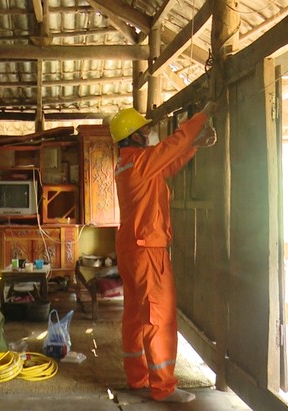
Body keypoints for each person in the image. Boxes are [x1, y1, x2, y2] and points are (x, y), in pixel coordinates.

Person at [109, 102, 217, 403]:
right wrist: (203, 115)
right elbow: (173, 144)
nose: (149, 133)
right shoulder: (142, 162)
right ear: (133, 137)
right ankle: (163, 387)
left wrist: (194, 145)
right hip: (148, 250)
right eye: (144, 131)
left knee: (134, 315)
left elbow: (168, 163)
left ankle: (137, 377)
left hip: (132, 249)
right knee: (160, 316)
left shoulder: (130, 163)